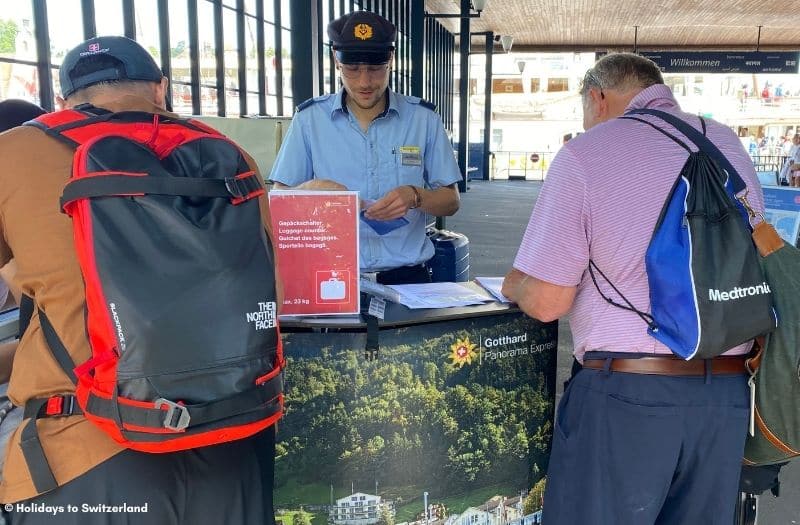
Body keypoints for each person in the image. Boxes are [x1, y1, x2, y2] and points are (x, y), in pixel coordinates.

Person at [0, 36, 278, 524]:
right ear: (160, 89)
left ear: (65, 100)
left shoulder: (14, 152)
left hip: (84, 452)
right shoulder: (228, 155)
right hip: (231, 437)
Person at [501, 53, 762, 525]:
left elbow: (547, 302)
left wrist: (517, 284)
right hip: (725, 397)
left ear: (597, 97)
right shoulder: (727, 144)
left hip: (625, 398)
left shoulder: (586, 153)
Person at [269, 10, 461, 285]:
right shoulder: (310, 120)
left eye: (374, 68)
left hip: (407, 279)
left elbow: (451, 201)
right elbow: (279, 200)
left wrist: (414, 196)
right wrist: (314, 190)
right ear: (337, 61)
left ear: (391, 60)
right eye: (353, 69)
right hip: (333, 278)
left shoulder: (423, 119)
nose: (364, 82)